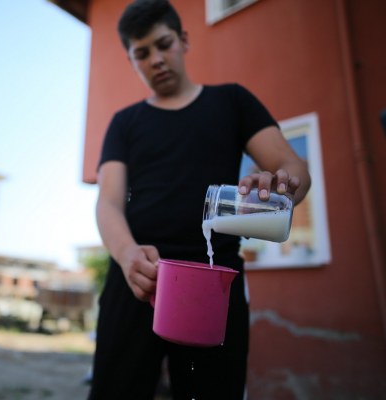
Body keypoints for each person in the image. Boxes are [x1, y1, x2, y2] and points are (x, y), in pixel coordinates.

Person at [88, 0, 311, 399]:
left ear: (184, 40)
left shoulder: (232, 102)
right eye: (142, 53)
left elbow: (293, 168)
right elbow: (107, 202)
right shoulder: (124, 123)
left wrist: (281, 186)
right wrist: (125, 255)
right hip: (137, 277)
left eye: (164, 44)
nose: (156, 59)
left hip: (214, 281)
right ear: (131, 59)